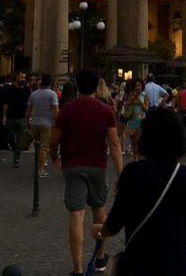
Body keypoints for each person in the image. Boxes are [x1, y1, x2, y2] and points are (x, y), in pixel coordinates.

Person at [91, 108, 186, 276]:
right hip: (178, 264)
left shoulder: (132, 173)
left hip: (140, 262)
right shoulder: (184, 175)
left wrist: (97, 231)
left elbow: (114, 224)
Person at [48, 69, 124, 276]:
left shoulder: (67, 110)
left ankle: (78, 268)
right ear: (97, 86)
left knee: (76, 215)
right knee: (99, 212)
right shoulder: (106, 110)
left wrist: (54, 156)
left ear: (77, 85)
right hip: (98, 167)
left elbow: (54, 139)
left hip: (73, 167)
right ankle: (99, 257)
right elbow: (115, 144)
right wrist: (121, 174)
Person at [25, 73, 59, 177]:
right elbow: (55, 110)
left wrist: (28, 122)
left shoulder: (34, 94)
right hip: (47, 123)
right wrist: (57, 122)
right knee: (44, 147)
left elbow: (28, 111)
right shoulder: (52, 94)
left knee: (37, 146)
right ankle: (41, 169)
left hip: (35, 122)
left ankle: (39, 165)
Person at [2, 71, 31, 168]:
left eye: (24, 77)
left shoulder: (27, 90)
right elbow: (5, 103)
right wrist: (4, 116)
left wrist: (28, 117)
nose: (23, 79)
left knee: (20, 139)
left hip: (22, 118)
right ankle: (16, 150)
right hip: (11, 117)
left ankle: (16, 159)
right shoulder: (9, 89)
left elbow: (29, 105)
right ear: (16, 77)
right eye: (21, 77)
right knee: (10, 138)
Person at [122, 82, 147, 158]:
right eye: (136, 85)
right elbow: (127, 106)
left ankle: (139, 159)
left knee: (138, 141)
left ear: (142, 87)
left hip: (140, 120)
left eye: (139, 85)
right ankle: (135, 160)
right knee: (133, 142)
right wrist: (132, 99)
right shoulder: (131, 95)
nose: (138, 87)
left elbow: (146, 109)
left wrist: (140, 101)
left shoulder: (145, 95)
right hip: (131, 120)